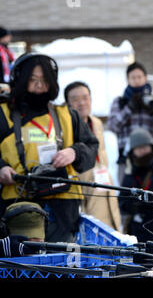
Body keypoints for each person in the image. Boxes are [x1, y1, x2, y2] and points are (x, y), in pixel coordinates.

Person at [0, 52, 99, 243]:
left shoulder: (68, 115)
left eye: (44, 79)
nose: (39, 85)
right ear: (19, 79)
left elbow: (91, 145)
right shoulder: (3, 114)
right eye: (33, 79)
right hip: (16, 208)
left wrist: (74, 152)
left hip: (62, 210)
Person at [64, 81, 122, 231]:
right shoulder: (65, 128)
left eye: (85, 97)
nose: (82, 103)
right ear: (68, 104)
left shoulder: (96, 123)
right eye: (76, 99)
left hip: (104, 185)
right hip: (83, 190)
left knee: (112, 229)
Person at [107, 62, 153, 185]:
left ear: (145, 78)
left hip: (151, 157)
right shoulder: (120, 102)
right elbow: (112, 126)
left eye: (139, 77)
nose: (137, 80)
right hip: (127, 158)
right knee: (128, 195)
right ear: (128, 80)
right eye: (133, 78)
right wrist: (129, 108)